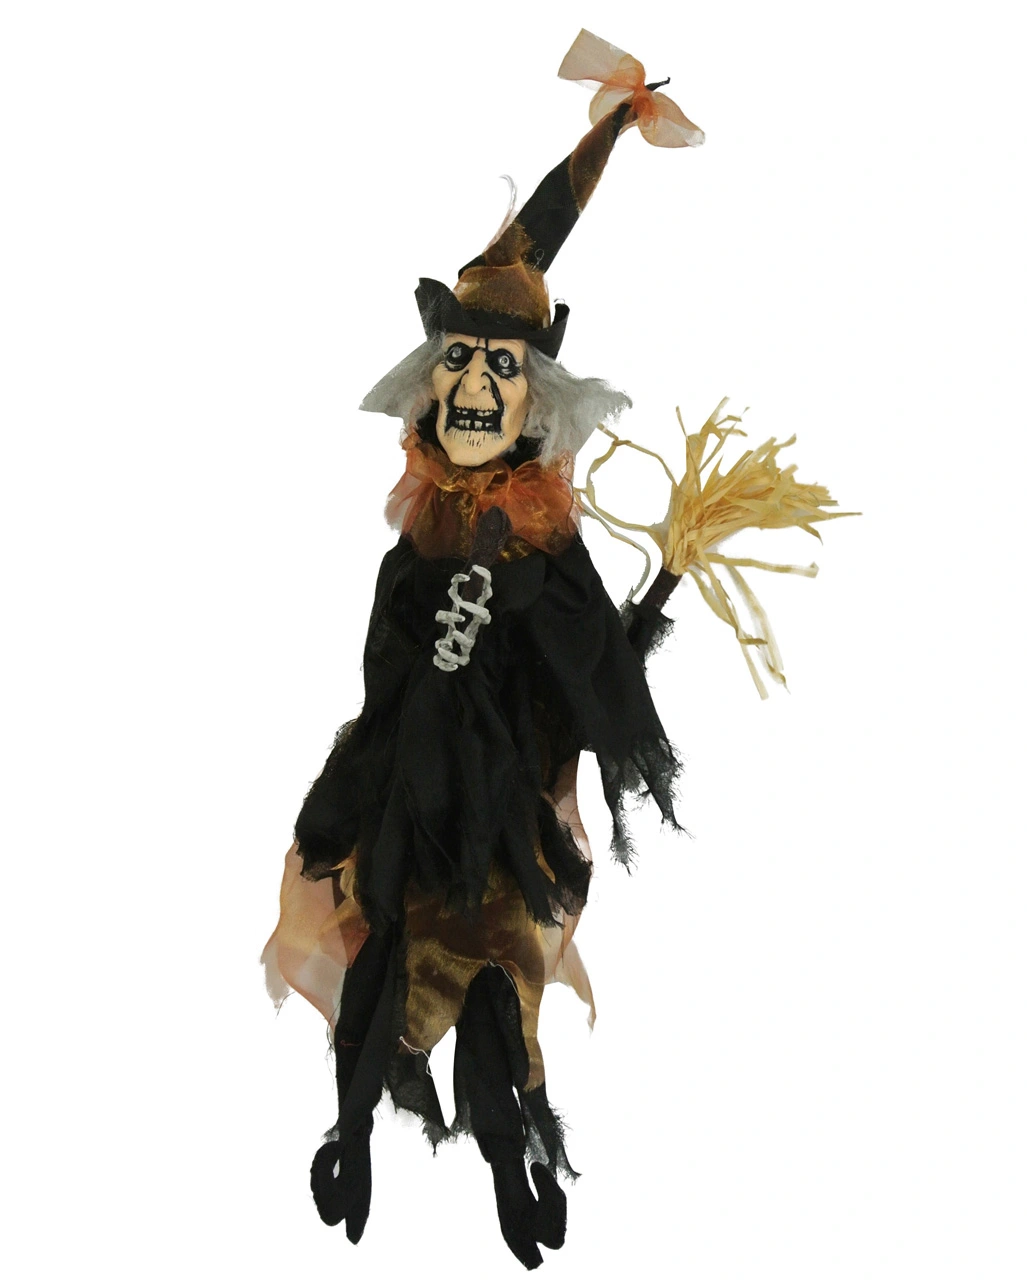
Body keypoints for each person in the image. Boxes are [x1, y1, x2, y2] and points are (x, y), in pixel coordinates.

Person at [263, 29, 703, 1270]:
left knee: (499, 989)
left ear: (531, 397)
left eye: (498, 366)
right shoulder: (414, 549)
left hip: (502, 816)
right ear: (430, 378)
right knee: (387, 971)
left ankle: (513, 1148)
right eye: (456, 357)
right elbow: (385, 679)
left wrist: (585, 611)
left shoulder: (543, 550)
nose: (470, 384)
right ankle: (353, 1128)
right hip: (410, 807)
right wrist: (345, 796)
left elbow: (592, 672)